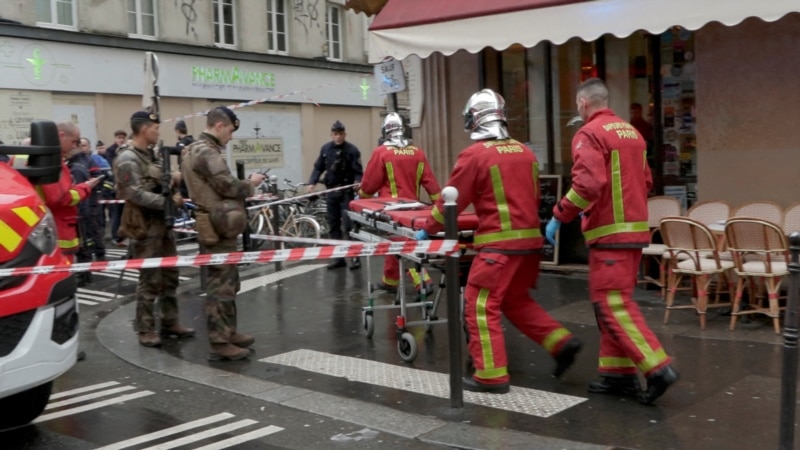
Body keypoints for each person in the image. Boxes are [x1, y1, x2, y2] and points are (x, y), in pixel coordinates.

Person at [415, 89, 582, 394]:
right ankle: (561, 343)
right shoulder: (525, 151)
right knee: (515, 301)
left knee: (479, 305)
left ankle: (490, 375)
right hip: (530, 244)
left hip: (498, 247)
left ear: (475, 120)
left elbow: (451, 200)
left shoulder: (475, 155)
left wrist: (428, 227)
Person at [546, 78, 678, 405]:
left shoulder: (588, 134)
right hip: (632, 232)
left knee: (612, 305)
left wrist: (560, 213)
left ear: (583, 102)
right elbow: (645, 180)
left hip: (610, 234)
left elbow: (589, 184)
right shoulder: (630, 132)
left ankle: (657, 367)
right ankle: (616, 376)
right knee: (610, 305)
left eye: (578, 103)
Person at [181, 106, 266, 361]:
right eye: (229, 130)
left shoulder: (191, 149)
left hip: (214, 223)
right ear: (219, 126)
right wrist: (250, 184)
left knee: (228, 280)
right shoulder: (207, 152)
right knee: (221, 284)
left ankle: (229, 332)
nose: (231, 136)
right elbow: (227, 185)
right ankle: (220, 341)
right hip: (218, 226)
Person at [113, 111, 195, 348]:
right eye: (155, 128)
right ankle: (145, 328)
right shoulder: (128, 158)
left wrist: (173, 186)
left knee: (170, 274)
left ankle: (170, 321)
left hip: (162, 222)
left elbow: (162, 180)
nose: (158, 132)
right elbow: (133, 193)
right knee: (149, 277)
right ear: (144, 129)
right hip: (144, 224)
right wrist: (167, 202)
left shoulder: (150, 155)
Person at [359, 112, 440, 295]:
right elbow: (431, 183)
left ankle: (423, 281)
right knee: (395, 243)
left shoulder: (382, 153)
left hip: (391, 209)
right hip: (415, 209)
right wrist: (440, 208)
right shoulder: (417, 153)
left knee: (402, 246)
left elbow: (370, 184)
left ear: (385, 131)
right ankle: (390, 281)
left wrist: (362, 195)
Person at [308, 120, 363, 270]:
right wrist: (312, 183)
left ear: (344, 134)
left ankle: (355, 258)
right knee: (333, 226)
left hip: (346, 193)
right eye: (335, 134)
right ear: (331, 135)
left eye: (340, 134)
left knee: (349, 226)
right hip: (331, 192)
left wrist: (358, 182)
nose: (338, 137)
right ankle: (339, 258)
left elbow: (358, 172)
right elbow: (318, 168)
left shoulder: (352, 150)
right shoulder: (326, 149)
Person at [105, 129, 128, 246]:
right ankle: (115, 236)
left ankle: (123, 235)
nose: (121, 140)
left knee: (126, 212)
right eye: (119, 138)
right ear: (115, 139)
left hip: (126, 186)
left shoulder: (128, 150)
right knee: (116, 213)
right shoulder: (110, 151)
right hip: (115, 186)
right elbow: (112, 166)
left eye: (123, 138)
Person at [174, 120, 194, 198]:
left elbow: (179, 149)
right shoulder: (192, 140)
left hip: (185, 174)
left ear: (177, 131)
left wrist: (166, 150)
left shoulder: (184, 141)